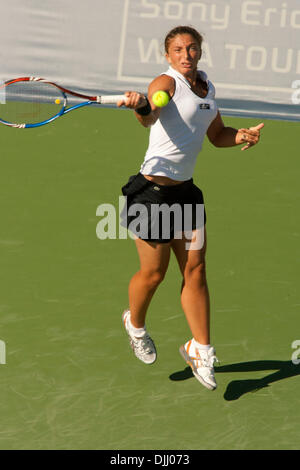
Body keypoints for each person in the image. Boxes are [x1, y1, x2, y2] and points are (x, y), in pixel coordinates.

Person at [117, 25, 264, 390]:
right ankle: (134, 324)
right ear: (168, 56)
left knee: (196, 270)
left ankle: (200, 348)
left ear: (200, 52)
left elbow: (216, 135)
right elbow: (151, 111)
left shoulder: (207, 88)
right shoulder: (164, 83)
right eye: (178, 50)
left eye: (192, 48)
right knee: (154, 274)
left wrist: (240, 135)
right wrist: (141, 107)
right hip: (151, 194)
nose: (186, 55)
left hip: (186, 194)